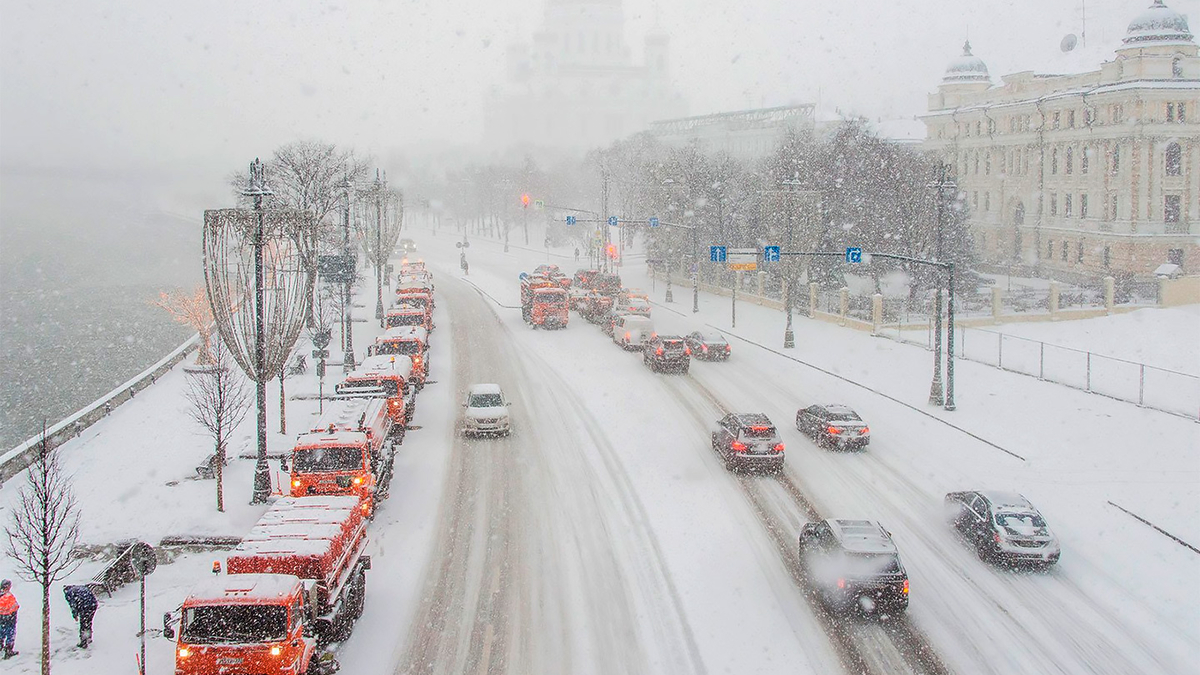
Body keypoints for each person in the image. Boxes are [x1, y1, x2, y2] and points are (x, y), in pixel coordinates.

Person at [0, 579, 17, 659]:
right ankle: (9, 650)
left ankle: (0, 646)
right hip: (10, 618)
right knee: (10, 634)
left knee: (1, 632)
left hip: (1, 619)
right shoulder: (8, 596)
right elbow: (15, 606)